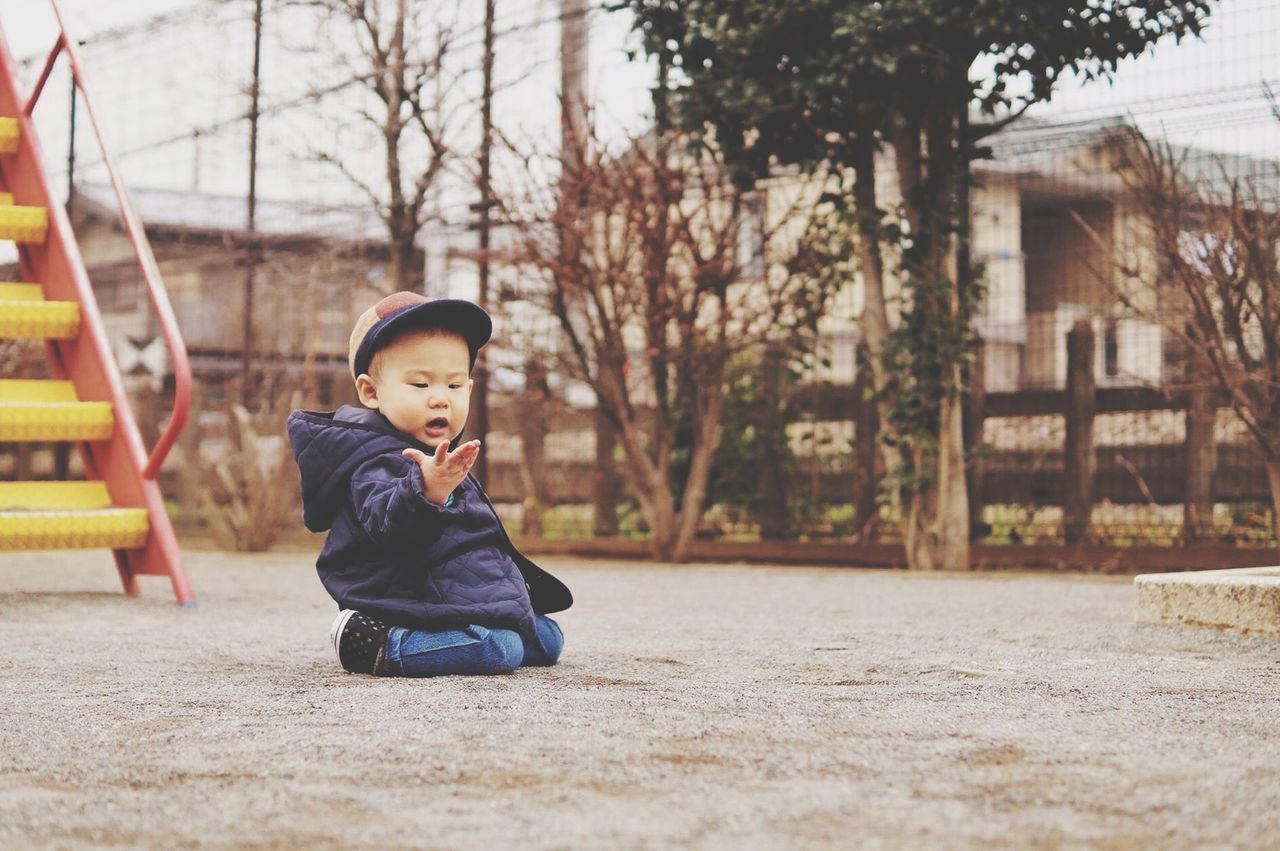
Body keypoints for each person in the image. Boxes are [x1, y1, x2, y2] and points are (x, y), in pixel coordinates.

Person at [287, 291, 572, 677]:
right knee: (497, 648)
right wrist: (426, 492)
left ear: (469, 390)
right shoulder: (374, 459)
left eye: (454, 386)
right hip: (398, 596)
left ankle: (468, 631)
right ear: (371, 392)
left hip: (444, 590)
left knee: (547, 638)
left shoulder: (434, 454)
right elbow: (388, 524)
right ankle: (380, 645)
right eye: (421, 385)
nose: (440, 399)